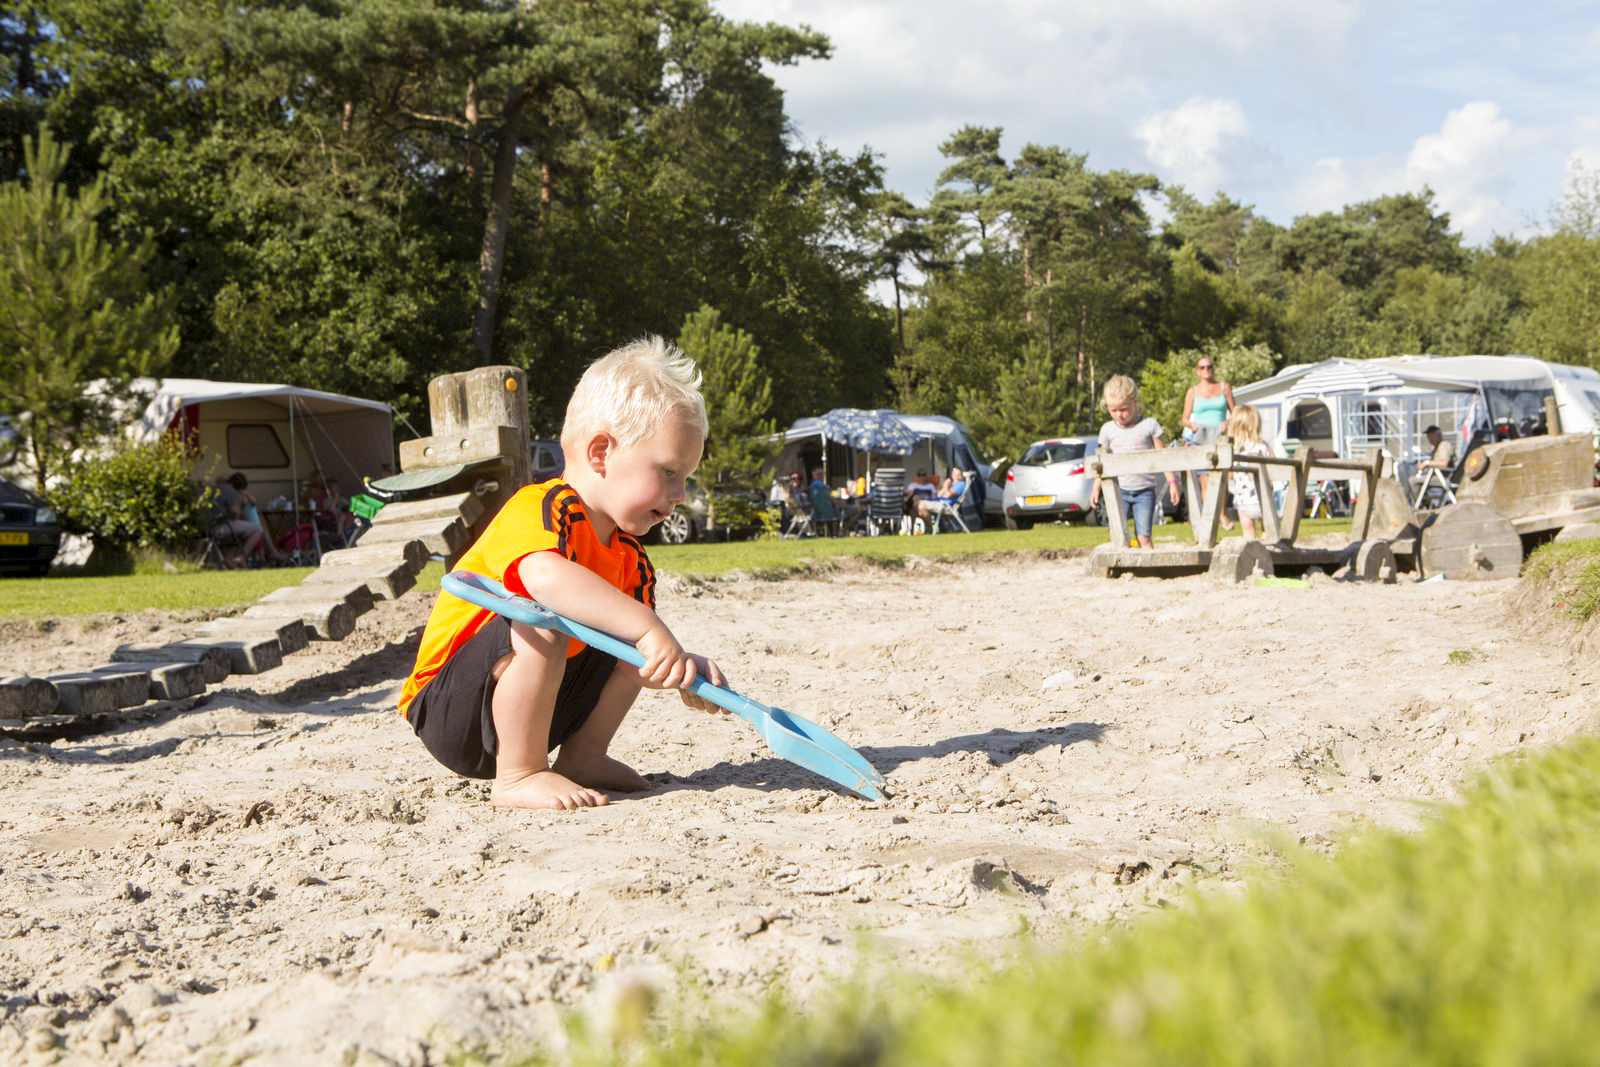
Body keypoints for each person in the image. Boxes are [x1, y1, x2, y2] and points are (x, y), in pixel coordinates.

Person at [398, 337, 728, 811]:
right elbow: (545, 579)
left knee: (633, 645)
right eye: (670, 471)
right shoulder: (542, 506)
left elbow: (633, 647)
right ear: (601, 453)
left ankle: (582, 756)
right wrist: (650, 628)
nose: (679, 493)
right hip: (450, 707)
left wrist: (672, 665)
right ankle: (519, 775)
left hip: (539, 710)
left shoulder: (629, 558)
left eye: (685, 477)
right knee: (545, 616)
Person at [1089, 375, 1179, 549]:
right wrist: (1096, 487)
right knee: (1116, 533)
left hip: (1144, 490)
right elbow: (1102, 463)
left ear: (1135, 402)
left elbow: (1163, 456)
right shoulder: (1107, 430)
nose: (1118, 415)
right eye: (1113, 410)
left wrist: (1172, 482)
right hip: (1118, 490)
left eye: (1123, 409)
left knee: (1143, 536)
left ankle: (1150, 568)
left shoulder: (1149, 425)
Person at [1182, 354, 1236, 528]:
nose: (1206, 370)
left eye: (1209, 367)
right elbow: (1184, 418)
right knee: (1205, 479)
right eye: (1203, 367)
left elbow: (1236, 412)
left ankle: (1221, 513)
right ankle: (1213, 516)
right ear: (1197, 371)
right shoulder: (1193, 391)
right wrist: (1192, 425)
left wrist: (1227, 422)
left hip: (1220, 436)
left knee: (1222, 478)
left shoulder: (1224, 387)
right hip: (1202, 436)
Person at [1224, 405, 1278, 541]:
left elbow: (1229, 475)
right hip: (1264, 499)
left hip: (1243, 500)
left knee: (1248, 535)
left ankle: (1252, 556)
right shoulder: (1263, 446)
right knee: (1268, 533)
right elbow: (1274, 468)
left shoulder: (1233, 451)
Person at [211, 472, 285, 566]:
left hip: (214, 526)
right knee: (257, 529)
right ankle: (242, 557)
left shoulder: (214, 492)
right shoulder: (233, 494)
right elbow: (236, 513)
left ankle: (231, 559)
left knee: (255, 529)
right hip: (224, 526)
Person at [1409, 425, 1457, 502]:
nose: (1429, 438)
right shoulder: (1436, 448)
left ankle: (1418, 505)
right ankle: (1425, 504)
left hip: (1445, 477)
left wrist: (1427, 463)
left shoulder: (1444, 445)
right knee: (1415, 477)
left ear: (1437, 435)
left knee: (1413, 480)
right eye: (1428, 436)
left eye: (1431, 435)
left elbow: (1444, 463)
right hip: (1437, 476)